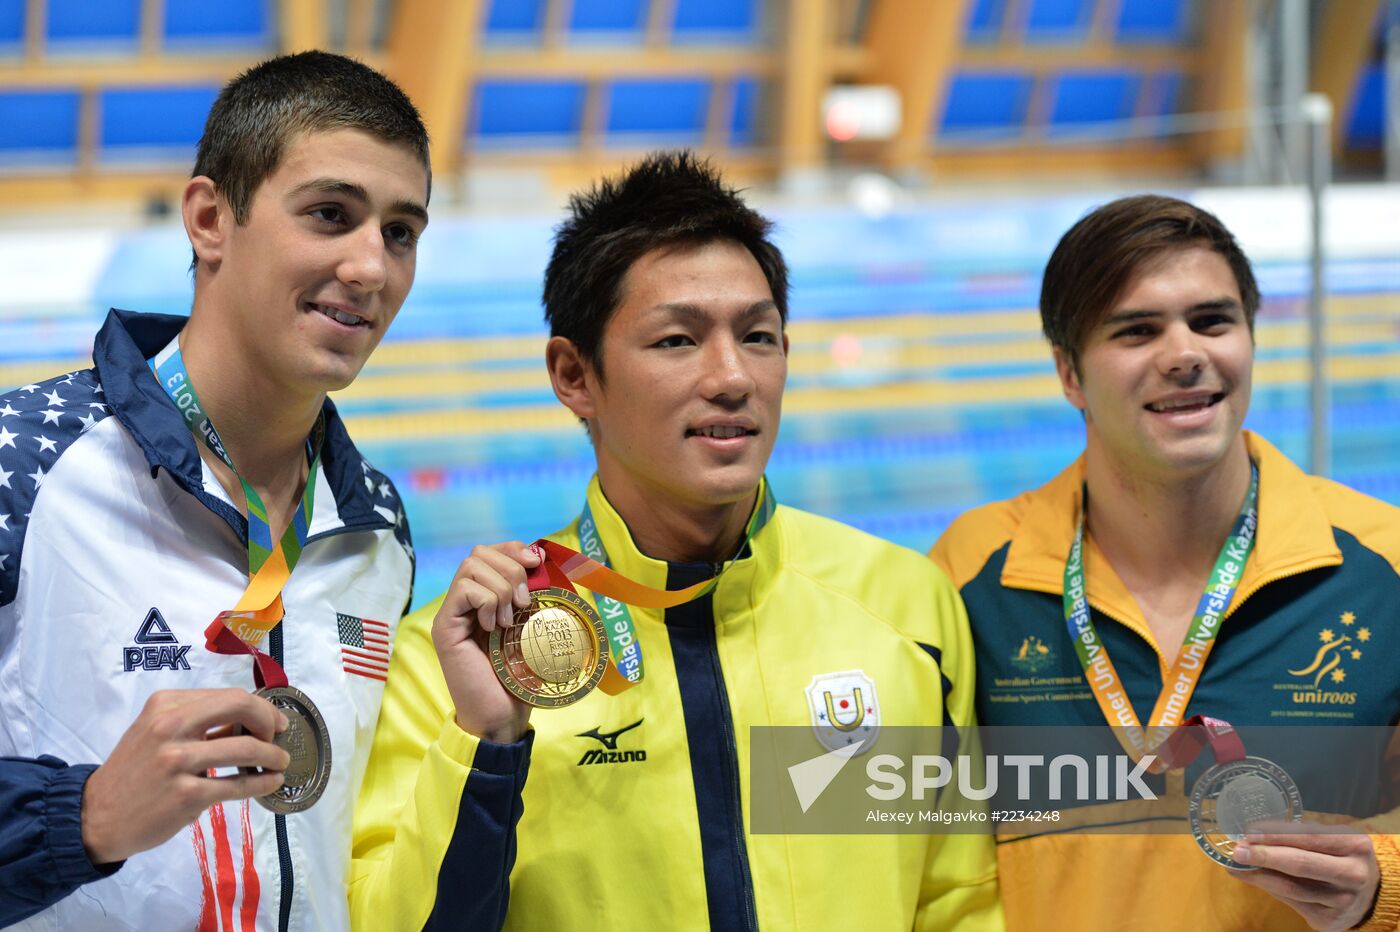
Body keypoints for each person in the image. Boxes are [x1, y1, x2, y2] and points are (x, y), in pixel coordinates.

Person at [351, 151, 1003, 930]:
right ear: (574, 375)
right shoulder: (458, 663)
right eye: (677, 341)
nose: (733, 377)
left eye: (759, 336)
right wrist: (487, 744)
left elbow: (956, 899)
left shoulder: (901, 606)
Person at [0, 51, 429, 929]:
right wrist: (82, 820)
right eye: (330, 215)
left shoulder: (375, 528)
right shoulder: (26, 470)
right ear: (208, 219)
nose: (371, 268)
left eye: (399, 232)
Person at [930, 194, 1400, 931]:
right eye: (1138, 330)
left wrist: (1386, 884)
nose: (1185, 354)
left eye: (1213, 321)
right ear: (1070, 374)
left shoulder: (1382, 567)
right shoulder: (973, 574)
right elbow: (902, 834)